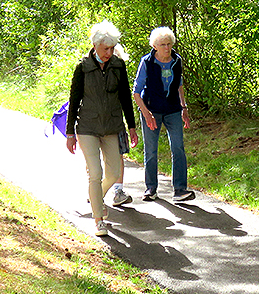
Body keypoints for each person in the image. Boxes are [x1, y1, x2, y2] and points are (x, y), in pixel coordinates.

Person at [65, 21, 138, 235]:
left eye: (112, 48)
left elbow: (125, 96)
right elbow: (74, 99)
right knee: (95, 173)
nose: (110, 52)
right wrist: (70, 133)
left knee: (114, 172)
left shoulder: (118, 65)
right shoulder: (83, 67)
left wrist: (131, 126)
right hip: (87, 127)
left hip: (112, 126)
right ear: (96, 45)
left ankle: (96, 197)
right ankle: (99, 219)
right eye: (106, 48)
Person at [132, 26, 194, 202]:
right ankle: (151, 188)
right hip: (151, 109)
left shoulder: (177, 60)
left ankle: (180, 189)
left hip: (173, 109)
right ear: (155, 46)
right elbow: (136, 92)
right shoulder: (147, 62)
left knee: (178, 147)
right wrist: (146, 113)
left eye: (169, 44)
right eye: (162, 44)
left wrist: (184, 108)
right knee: (151, 150)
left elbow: (179, 84)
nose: (167, 48)